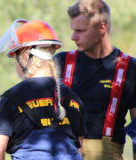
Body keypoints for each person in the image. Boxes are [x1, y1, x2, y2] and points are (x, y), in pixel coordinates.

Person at [0, 19, 85, 160]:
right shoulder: (73, 98)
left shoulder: (11, 98)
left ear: (26, 53)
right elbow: (80, 149)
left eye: (16, 56)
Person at [55, 1, 136, 159]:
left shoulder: (130, 68)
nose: (73, 37)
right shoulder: (61, 62)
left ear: (102, 28)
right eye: (73, 30)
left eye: (81, 31)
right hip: (63, 153)